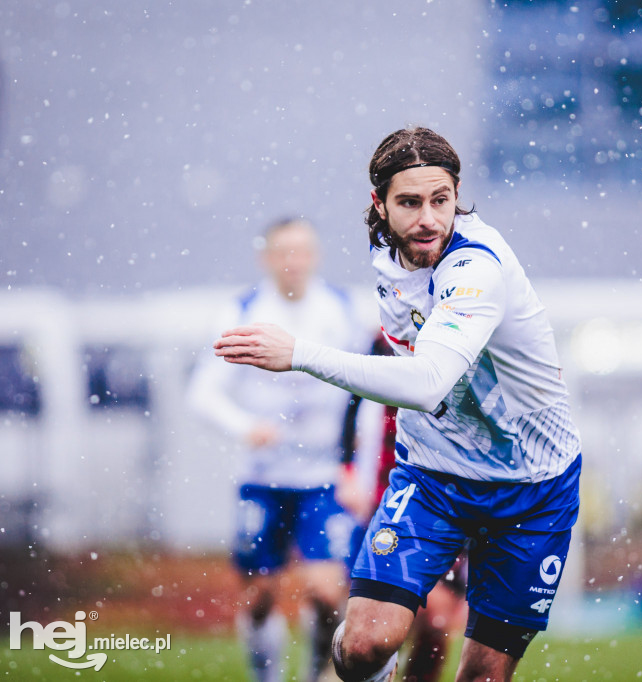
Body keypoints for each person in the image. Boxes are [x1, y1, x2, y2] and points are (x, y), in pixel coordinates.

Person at [213, 126, 583, 682]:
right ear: (379, 205)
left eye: (441, 201)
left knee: (482, 674)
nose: (428, 219)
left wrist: (300, 354)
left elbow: (427, 381)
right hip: (433, 476)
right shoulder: (387, 248)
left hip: (531, 487)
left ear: (458, 195)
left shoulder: (477, 267)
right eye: (409, 202)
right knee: (365, 645)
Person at [187, 217, 368, 682]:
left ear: (316, 255)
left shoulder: (343, 310)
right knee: (259, 595)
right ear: (266, 258)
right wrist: (246, 426)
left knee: (329, 592)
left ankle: (314, 674)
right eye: (284, 251)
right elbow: (203, 393)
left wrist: (357, 467)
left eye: (303, 250)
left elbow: (366, 391)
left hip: (323, 477)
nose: (294, 261)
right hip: (262, 477)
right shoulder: (242, 310)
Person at [338, 333, 469, 682]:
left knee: (438, 621)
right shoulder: (384, 340)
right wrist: (347, 471)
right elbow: (351, 405)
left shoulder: (464, 336)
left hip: (446, 500)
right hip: (387, 500)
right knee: (368, 633)